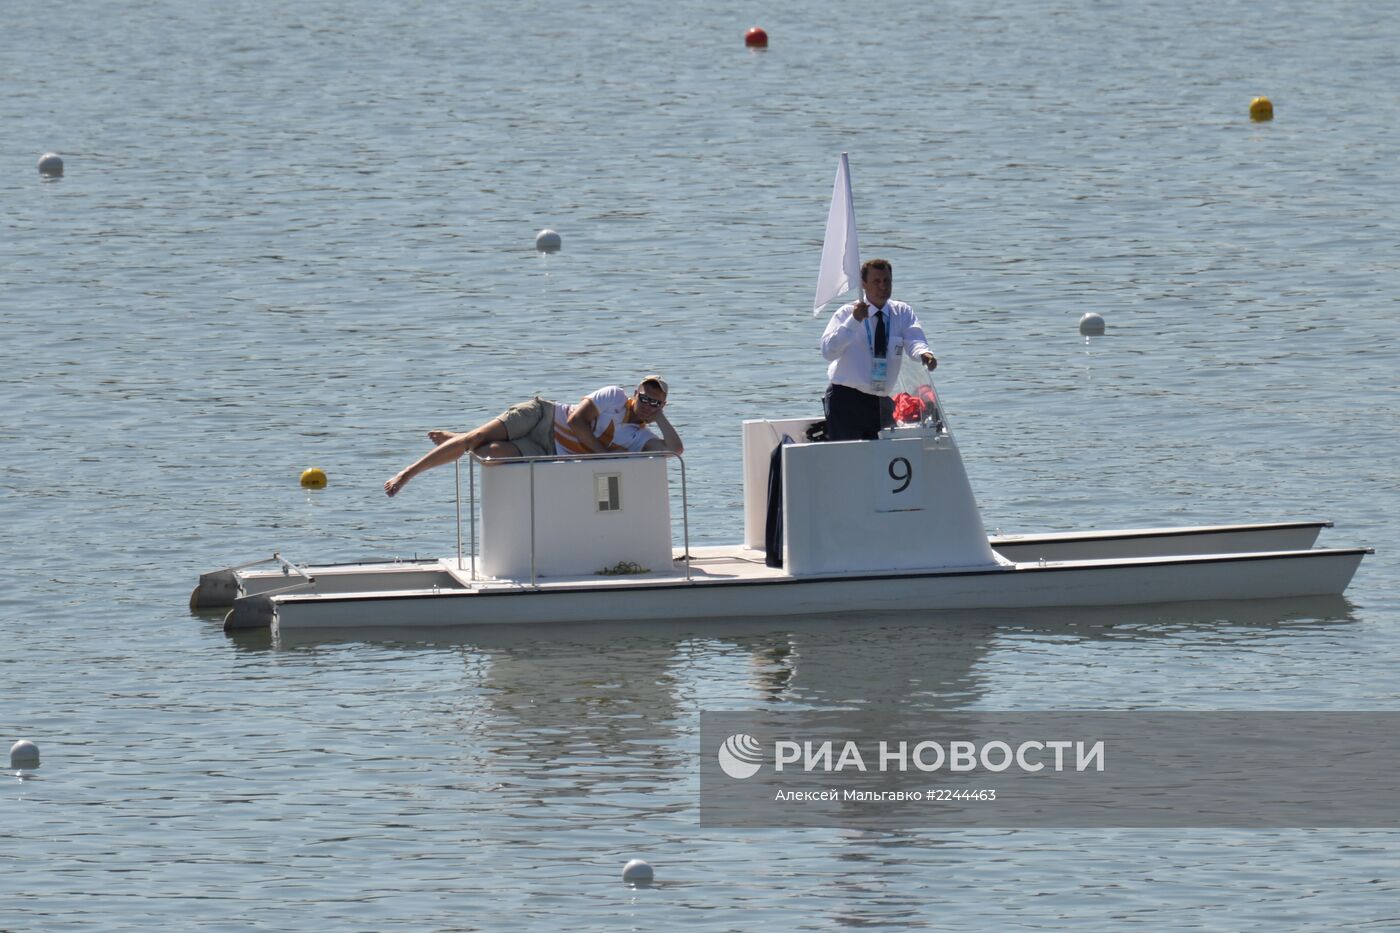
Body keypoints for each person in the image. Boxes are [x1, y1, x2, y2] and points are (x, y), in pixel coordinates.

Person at [384, 376, 682, 497]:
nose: (647, 406)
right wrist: (601, 455)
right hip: (542, 417)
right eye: (644, 398)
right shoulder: (614, 396)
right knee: (470, 443)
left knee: (488, 455)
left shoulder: (638, 438)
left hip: (548, 449)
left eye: (656, 403)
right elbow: (578, 421)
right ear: (634, 393)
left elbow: (675, 450)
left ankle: (461, 438)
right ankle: (408, 474)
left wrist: (661, 419)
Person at [819, 258, 937, 441]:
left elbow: (915, 339)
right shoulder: (846, 313)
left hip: (881, 401)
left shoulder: (902, 312)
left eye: (886, 281)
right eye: (876, 281)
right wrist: (854, 321)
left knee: (886, 460)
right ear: (863, 284)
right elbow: (828, 351)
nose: (883, 286)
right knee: (849, 459)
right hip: (846, 400)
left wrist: (924, 354)